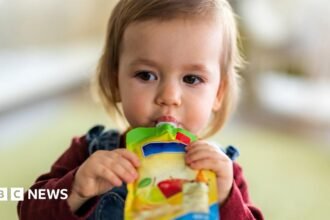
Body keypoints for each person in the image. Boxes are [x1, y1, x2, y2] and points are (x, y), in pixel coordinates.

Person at [17, 0, 264, 219]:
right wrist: (76, 189)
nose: (169, 97)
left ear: (218, 94)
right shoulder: (89, 152)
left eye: (191, 79)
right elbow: (28, 211)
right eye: (146, 75)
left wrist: (225, 198)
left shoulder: (222, 170)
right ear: (116, 83)